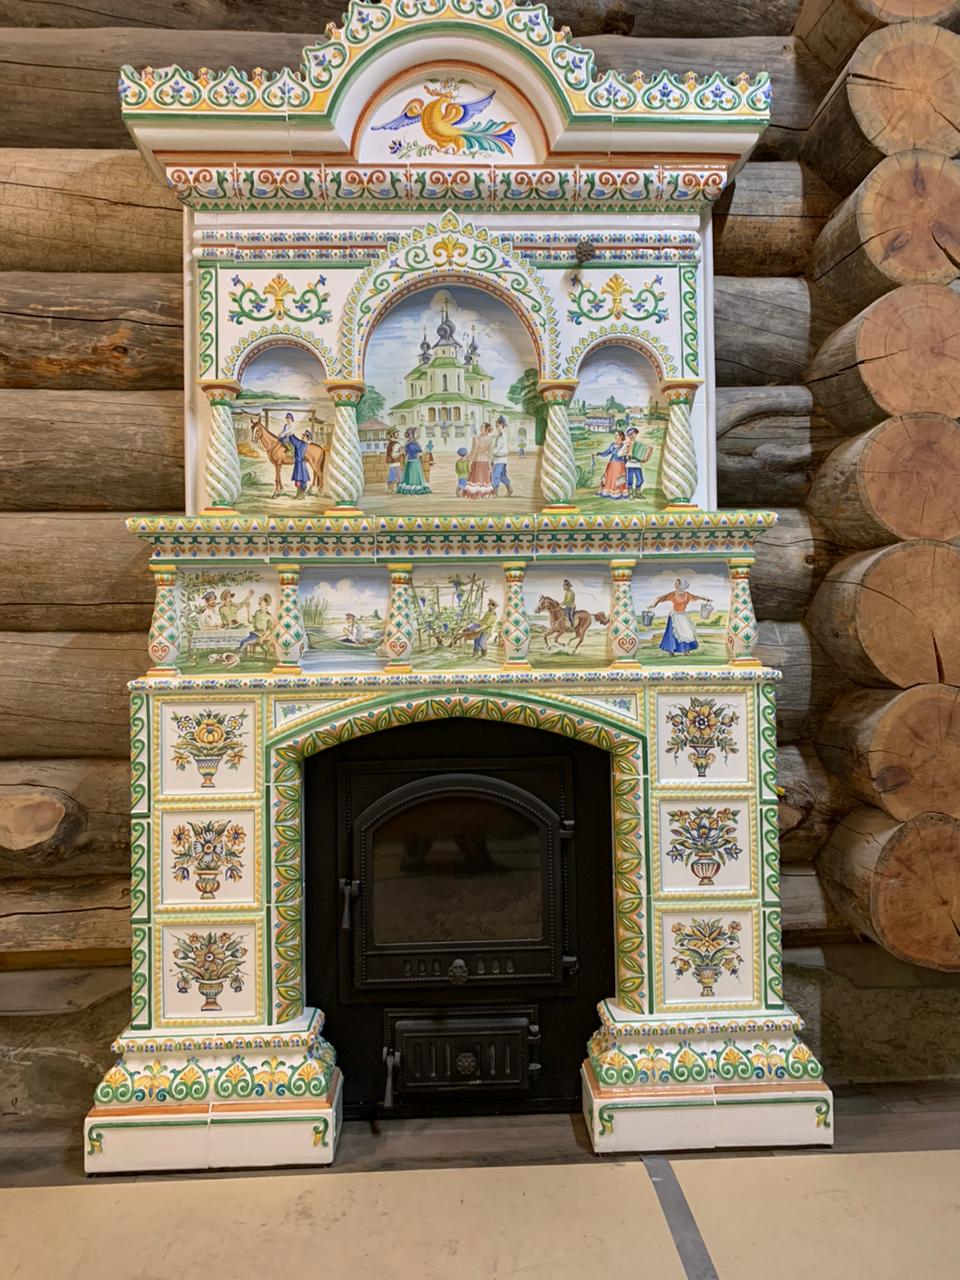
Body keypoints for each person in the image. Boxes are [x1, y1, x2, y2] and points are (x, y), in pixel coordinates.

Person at [649, 578, 710, 655]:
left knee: (687, 632)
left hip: (683, 615)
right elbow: (661, 598)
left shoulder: (687, 594)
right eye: (675, 583)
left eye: (677, 584)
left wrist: (705, 598)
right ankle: (671, 651)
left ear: (682, 585)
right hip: (674, 616)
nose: (675, 585)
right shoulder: (673, 594)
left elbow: (695, 597)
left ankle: (686, 650)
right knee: (673, 633)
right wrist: (653, 605)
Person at [277, 412, 310, 498]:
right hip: (299, 464)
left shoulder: (301, 444)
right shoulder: (302, 443)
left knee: (300, 480)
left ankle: (300, 495)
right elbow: (296, 440)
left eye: (304, 436)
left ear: (307, 439)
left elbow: (295, 441)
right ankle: (300, 495)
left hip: (300, 464)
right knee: (299, 480)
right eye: (303, 436)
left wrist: (290, 435)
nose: (302, 437)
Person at [464, 422, 495, 499]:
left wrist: (470, 461)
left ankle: (477, 494)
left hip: (477, 460)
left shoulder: (476, 439)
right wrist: (489, 462)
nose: (480, 427)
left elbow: (474, 451)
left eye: (482, 426)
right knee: (484, 478)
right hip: (485, 461)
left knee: (477, 478)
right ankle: (485, 494)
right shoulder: (490, 439)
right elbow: (490, 453)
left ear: (485, 429)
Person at [397, 428, 432, 495]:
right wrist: (422, 452)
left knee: (413, 474)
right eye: (415, 433)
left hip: (413, 461)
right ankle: (413, 487)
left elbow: (416, 452)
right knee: (413, 475)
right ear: (412, 434)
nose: (417, 435)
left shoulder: (410, 443)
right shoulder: (411, 444)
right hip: (413, 461)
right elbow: (417, 452)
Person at [596, 430, 628, 499]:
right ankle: (608, 492)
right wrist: (599, 453)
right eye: (615, 435)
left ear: (621, 436)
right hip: (611, 464)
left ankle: (617, 493)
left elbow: (625, 457)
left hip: (619, 465)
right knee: (610, 478)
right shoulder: (612, 445)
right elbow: (606, 452)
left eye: (617, 435)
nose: (615, 436)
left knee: (617, 479)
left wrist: (625, 465)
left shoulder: (624, 446)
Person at [625, 427, 652, 498]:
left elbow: (644, 451)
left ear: (636, 435)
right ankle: (630, 493)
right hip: (630, 464)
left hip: (637, 464)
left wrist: (648, 451)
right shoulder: (627, 444)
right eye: (630, 435)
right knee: (630, 479)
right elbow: (627, 454)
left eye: (633, 434)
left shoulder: (639, 444)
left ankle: (638, 493)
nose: (632, 436)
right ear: (628, 436)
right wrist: (629, 452)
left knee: (640, 479)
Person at [491, 419, 513, 496]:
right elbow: (496, 446)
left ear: (502, 425)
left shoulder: (502, 435)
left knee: (496, 475)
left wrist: (491, 452)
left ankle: (495, 491)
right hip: (499, 459)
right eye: (496, 425)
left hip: (500, 459)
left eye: (498, 425)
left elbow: (498, 447)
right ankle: (509, 488)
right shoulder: (499, 435)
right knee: (502, 475)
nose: (496, 427)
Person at [385, 430, 402, 494]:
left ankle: (390, 489)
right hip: (395, 463)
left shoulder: (390, 443)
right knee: (397, 477)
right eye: (396, 433)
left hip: (392, 463)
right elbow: (394, 455)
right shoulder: (396, 444)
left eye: (398, 433)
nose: (398, 434)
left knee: (392, 476)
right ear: (392, 434)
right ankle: (394, 489)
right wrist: (401, 452)